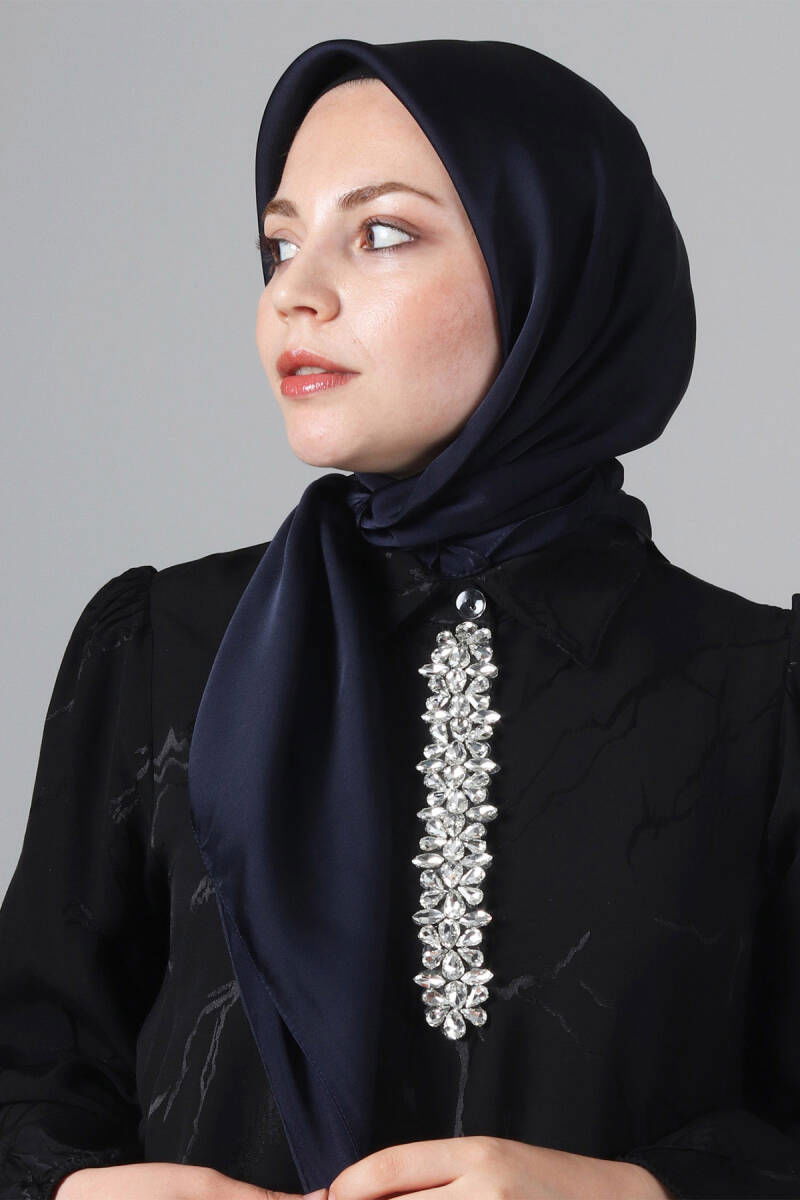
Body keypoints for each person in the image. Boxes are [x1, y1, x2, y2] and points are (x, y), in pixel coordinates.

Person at [1, 33, 798, 1200]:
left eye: (379, 233)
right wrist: (80, 1192)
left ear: (551, 272)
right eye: (279, 244)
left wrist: (633, 1192)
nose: (294, 292)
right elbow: (27, 1077)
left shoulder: (760, 697)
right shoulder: (163, 648)